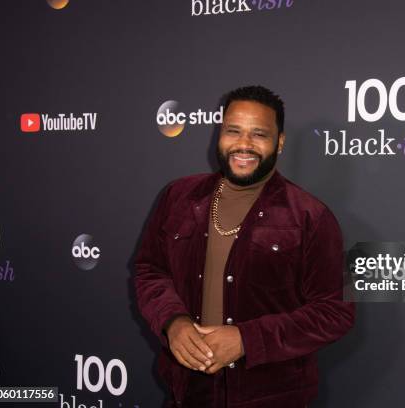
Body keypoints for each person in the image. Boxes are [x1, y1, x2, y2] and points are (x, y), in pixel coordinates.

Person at [134, 85, 355, 407]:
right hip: (187, 390)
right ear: (219, 135)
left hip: (269, 396)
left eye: (259, 134)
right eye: (233, 131)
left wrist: (246, 340)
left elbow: (334, 312)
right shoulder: (178, 197)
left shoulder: (311, 216)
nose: (243, 144)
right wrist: (173, 322)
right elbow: (150, 271)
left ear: (279, 143)